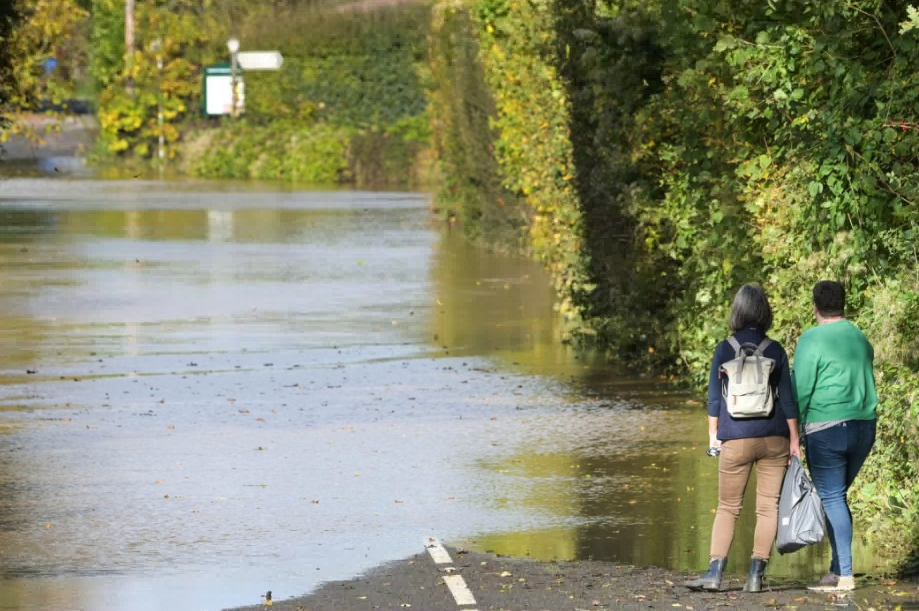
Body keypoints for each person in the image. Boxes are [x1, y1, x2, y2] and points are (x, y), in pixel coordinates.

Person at [686, 284, 801, 593]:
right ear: (765, 312)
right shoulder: (775, 349)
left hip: (735, 437)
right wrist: (794, 441)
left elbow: (713, 399)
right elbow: (788, 400)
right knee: (768, 508)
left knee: (727, 507)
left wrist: (714, 436)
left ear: (736, 311)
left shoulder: (724, 349)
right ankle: (755, 575)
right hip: (774, 438)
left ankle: (714, 574)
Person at [792, 280, 877, 593]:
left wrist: (793, 432)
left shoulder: (812, 338)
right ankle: (837, 570)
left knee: (831, 496)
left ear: (815, 306)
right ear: (844, 305)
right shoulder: (859, 336)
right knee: (836, 497)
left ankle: (845, 578)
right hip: (864, 427)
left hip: (826, 428)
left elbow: (800, 389)